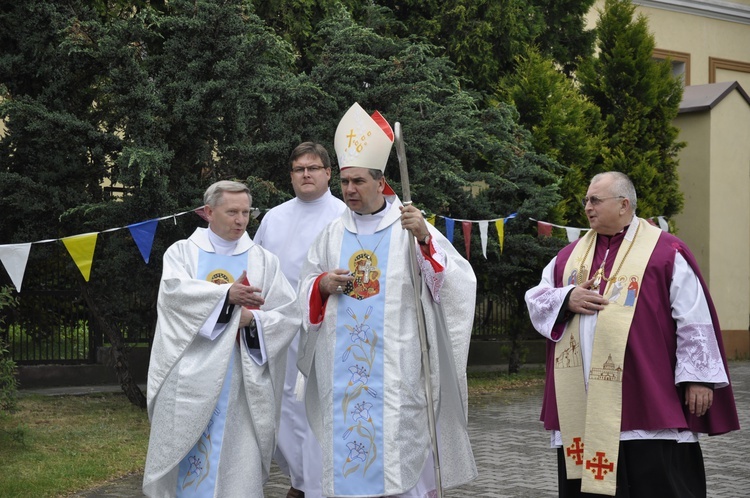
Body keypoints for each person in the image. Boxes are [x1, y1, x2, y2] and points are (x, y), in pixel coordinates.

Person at [296, 102, 478, 497]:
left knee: (397, 467)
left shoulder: (409, 225)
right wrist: (322, 284)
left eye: (358, 182)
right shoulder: (331, 234)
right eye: (344, 183)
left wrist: (427, 240)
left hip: (397, 375)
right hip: (342, 375)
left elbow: (456, 284)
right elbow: (308, 286)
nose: (349, 190)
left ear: (381, 183)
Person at [525, 172, 740, 497]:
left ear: (624, 204)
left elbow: (693, 316)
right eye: (586, 200)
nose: (587, 207)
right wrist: (566, 298)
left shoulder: (665, 252)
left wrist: (699, 377)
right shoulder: (568, 257)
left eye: (595, 200)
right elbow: (537, 299)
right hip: (582, 402)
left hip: (648, 397)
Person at [143, 180, 300, 497]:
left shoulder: (263, 260)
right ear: (208, 212)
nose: (240, 220)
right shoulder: (183, 253)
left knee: (236, 464)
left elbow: (288, 314)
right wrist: (225, 295)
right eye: (232, 212)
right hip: (189, 379)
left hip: (243, 382)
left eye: (245, 212)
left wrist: (251, 319)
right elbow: (174, 299)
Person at [254, 142, 346, 498]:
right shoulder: (275, 218)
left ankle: (318, 485)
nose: (306, 174)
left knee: (317, 410)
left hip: (325, 330)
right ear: (291, 176)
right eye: (298, 169)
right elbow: (257, 269)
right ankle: (299, 479)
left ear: (328, 173)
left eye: (313, 168)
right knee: (282, 409)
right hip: (281, 332)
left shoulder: (343, 217)